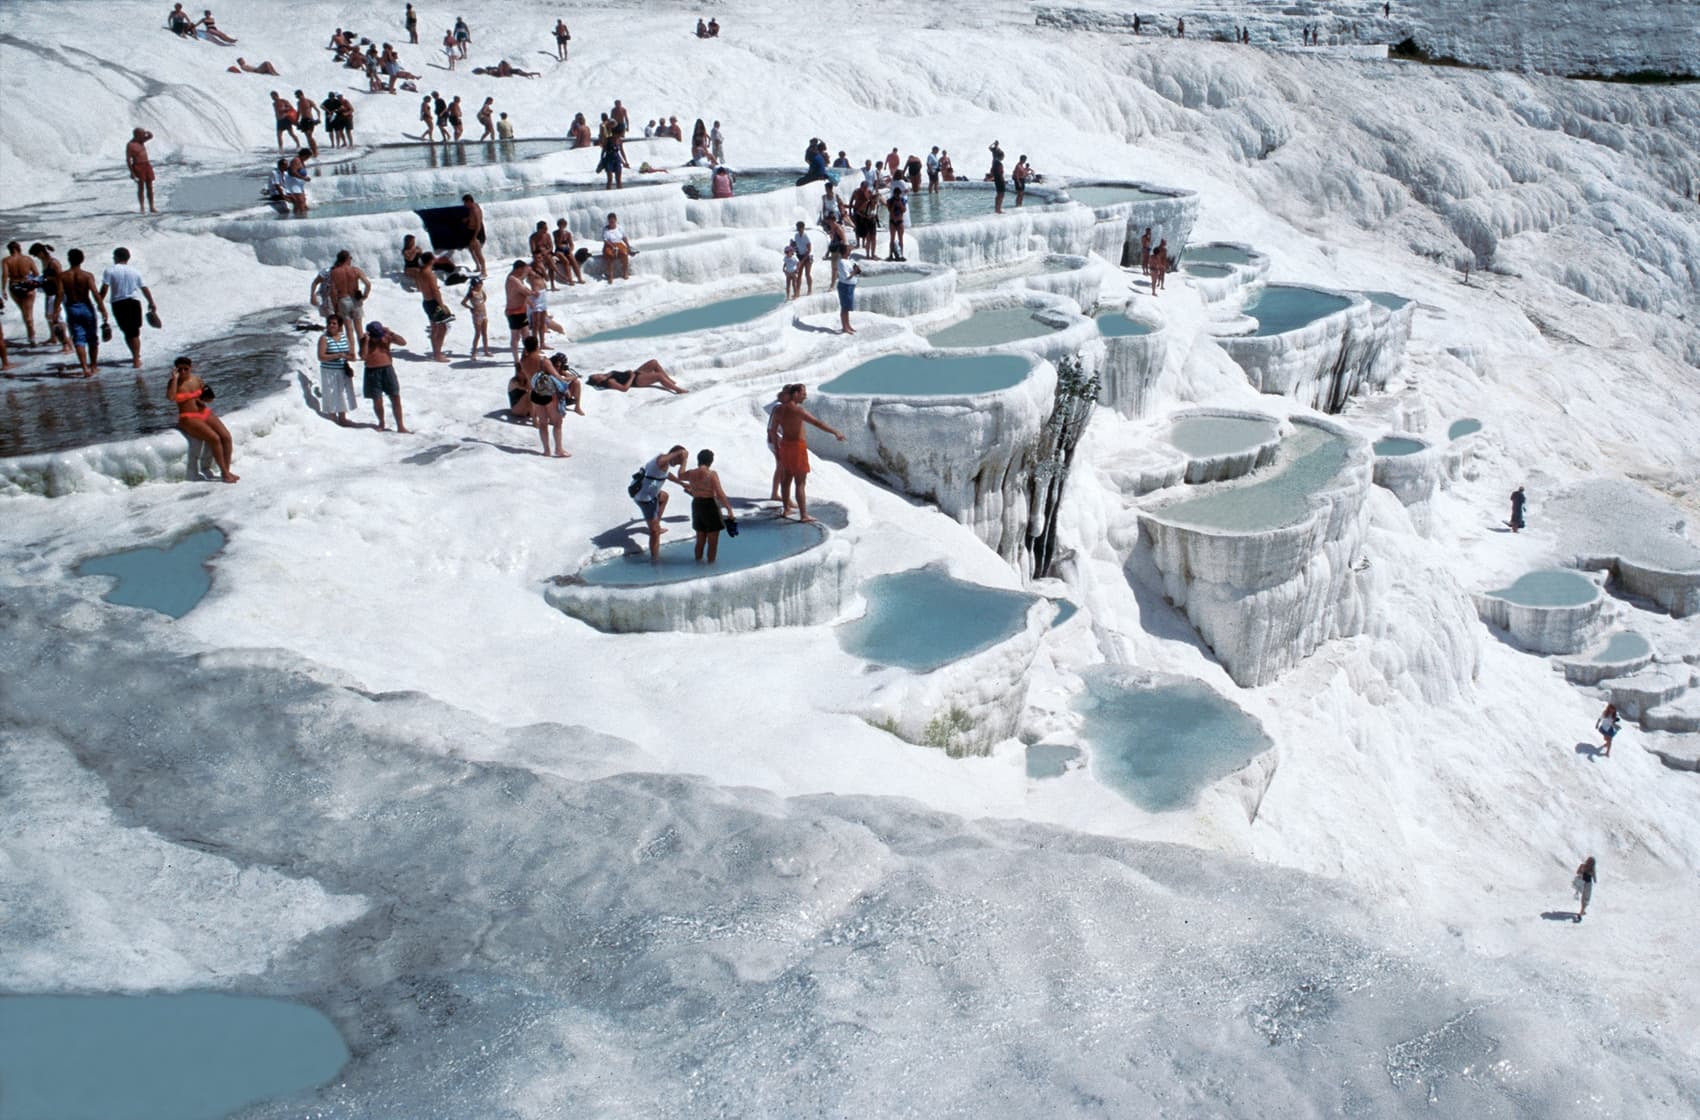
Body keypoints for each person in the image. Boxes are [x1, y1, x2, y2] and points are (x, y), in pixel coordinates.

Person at [773, 385, 845, 521]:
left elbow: (773, 430)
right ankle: (804, 515)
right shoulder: (798, 410)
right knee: (800, 483)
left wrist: (777, 449)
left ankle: (786, 509)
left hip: (785, 446)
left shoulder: (778, 410)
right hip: (797, 447)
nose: (805, 396)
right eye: (803, 393)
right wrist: (835, 432)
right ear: (795, 394)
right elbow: (817, 423)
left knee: (786, 479)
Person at [167, 355, 238, 482]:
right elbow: (171, 397)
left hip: (203, 411)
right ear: (176, 370)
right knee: (214, 438)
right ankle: (225, 473)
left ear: (190, 367)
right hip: (188, 417)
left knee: (226, 436)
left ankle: (227, 470)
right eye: (179, 369)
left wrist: (207, 398)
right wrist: (174, 379)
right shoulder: (174, 383)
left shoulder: (197, 380)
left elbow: (207, 398)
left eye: (185, 369)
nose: (183, 372)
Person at [98, 248, 157, 369]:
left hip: (119, 304)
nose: (113, 259)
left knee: (128, 332)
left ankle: (136, 358)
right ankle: (136, 357)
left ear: (117, 257)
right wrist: (151, 302)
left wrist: (99, 302)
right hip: (134, 302)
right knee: (134, 331)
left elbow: (104, 288)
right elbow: (144, 288)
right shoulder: (135, 271)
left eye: (114, 257)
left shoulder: (110, 271)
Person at [631, 446, 689, 559]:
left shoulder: (663, 464)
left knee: (664, 496)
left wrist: (681, 484)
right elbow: (662, 461)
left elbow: (667, 475)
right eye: (678, 461)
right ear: (674, 454)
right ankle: (655, 560)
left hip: (644, 492)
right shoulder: (661, 460)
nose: (677, 465)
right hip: (645, 498)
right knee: (655, 532)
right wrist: (680, 453)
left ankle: (655, 523)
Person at [681, 450, 735, 563]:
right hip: (710, 506)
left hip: (697, 505)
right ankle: (711, 568)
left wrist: (684, 460)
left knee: (700, 540)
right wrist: (729, 509)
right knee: (712, 542)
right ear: (710, 461)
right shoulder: (711, 474)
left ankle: (698, 564)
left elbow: (680, 475)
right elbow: (720, 493)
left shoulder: (691, 473)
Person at [59, 249, 106, 377]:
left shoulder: (63, 276)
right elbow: (95, 293)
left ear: (69, 260)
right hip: (86, 307)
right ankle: (94, 366)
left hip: (72, 308)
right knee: (92, 337)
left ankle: (85, 368)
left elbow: (60, 294)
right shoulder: (87, 275)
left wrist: (56, 310)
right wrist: (103, 309)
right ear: (82, 259)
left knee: (78, 338)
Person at [362, 321, 409, 431]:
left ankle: (400, 426)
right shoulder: (365, 341)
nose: (377, 339)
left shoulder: (386, 338)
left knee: (395, 396)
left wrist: (391, 334)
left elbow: (403, 343)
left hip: (387, 369)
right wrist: (366, 341)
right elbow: (363, 356)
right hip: (372, 371)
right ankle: (381, 423)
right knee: (377, 399)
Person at [316, 313, 359, 425]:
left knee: (342, 393)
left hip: (342, 370)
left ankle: (342, 417)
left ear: (339, 325)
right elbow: (321, 357)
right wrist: (336, 356)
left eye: (334, 323)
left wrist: (347, 357)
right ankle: (332, 417)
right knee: (331, 392)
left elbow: (352, 355)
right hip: (329, 371)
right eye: (329, 323)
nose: (331, 325)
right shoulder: (324, 338)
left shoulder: (344, 337)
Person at [415, 253, 453, 361]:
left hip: (426, 301)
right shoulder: (430, 274)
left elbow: (419, 286)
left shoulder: (420, 272)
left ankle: (435, 351)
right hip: (433, 303)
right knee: (442, 328)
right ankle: (437, 354)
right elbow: (435, 292)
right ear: (431, 260)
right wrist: (442, 305)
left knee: (434, 328)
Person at [329, 250, 371, 339]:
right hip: (355, 299)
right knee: (359, 329)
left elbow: (333, 291)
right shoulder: (355, 270)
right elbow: (368, 284)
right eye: (350, 258)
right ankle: (363, 351)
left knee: (349, 329)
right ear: (347, 259)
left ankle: (351, 351)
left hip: (343, 300)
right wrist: (365, 296)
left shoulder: (335, 272)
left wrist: (335, 306)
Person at [5, 242, 40, 345]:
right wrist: (30, 280)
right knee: (29, 313)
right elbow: (36, 273)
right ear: (18, 248)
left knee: (23, 311)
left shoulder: (6, 260)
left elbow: (5, 275)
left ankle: (31, 332)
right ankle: (31, 335)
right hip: (27, 286)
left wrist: (3, 290)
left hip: (14, 286)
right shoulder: (28, 259)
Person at [587, 360, 686, 394]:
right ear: (598, 381)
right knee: (658, 376)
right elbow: (624, 388)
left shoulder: (607, 375)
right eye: (597, 376)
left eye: (597, 374)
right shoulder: (610, 382)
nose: (599, 374)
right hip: (636, 380)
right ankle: (677, 389)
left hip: (635, 374)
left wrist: (628, 373)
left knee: (653, 362)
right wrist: (631, 376)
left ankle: (670, 382)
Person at [503, 259, 531, 363]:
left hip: (521, 310)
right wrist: (531, 292)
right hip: (514, 312)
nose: (524, 271)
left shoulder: (516, 278)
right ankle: (516, 360)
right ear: (519, 269)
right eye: (523, 269)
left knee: (526, 334)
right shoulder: (512, 279)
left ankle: (527, 354)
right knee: (515, 336)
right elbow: (525, 291)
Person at [125, 128, 158, 214]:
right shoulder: (130, 145)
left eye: (143, 134)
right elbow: (128, 160)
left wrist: (146, 132)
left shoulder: (141, 141)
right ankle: (142, 207)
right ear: (136, 135)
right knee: (141, 187)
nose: (144, 136)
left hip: (146, 165)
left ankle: (151, 206)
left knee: (150, 186)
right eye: (141, 134)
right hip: (138, 166)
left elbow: (151, 136)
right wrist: (132, 173)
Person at [458, 275, 491, 357]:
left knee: (485, 333)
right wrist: (471, 308)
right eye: (479, 284)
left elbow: (485, 298)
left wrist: (482, 304)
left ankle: (486, 351)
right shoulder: (472, 293)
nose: (481, 285)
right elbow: (463, 302)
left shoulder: (481, 291)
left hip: (483, 314)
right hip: (477, 315)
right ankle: (474, 352)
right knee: (477, 334)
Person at [834, 253, 861, 334]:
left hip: (850, 286)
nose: (850, 251)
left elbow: (856, 272)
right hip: (845, 286)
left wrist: (857, 270)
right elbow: (847, 276)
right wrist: (854, 271)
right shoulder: (841, 262)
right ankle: (844, 327)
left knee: (847, 308)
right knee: (844, 307)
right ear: (844, 251)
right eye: (848, 249)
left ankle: (848, 325)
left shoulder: (849, 260)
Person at [462, 194, 488, 276]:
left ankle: (484, 271)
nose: (464, 205)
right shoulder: (472, 207)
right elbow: (473, 218)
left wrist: (474, 237)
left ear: (469, 201)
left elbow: (478, 224)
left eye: (465, 203)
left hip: (476, 232)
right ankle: (478, 266)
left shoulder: (475, 209)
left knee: (478, 253)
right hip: (470, 231)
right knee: (471, 250)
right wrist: (468, 219)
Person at [552, 219, 584, 285]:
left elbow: (571, 244)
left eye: (563, 225)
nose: (562, 226)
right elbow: (558, 244)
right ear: (558, 225)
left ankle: (579, 278)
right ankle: (570, 279)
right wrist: (561, 234)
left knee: (573, 261)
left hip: (566, 249)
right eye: (561, 225)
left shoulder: (568, 234)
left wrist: (571, 250)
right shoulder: (555, 233)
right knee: (566, 262)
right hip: (559, 250)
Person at [602, 212, 631, 282]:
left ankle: (625, 273)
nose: (611, 222)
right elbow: (605, 240)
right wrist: (613, 247)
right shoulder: (605, 229)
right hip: (609, 245)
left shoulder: (619, 227)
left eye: (613, 221)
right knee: (609, 255)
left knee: (624, 254)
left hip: (619, 244)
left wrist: (628, 245)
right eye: (610, 221)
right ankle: (611, 275)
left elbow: (624, 237)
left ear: (615, 220)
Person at [790, 221, 814, 295]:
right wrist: (792, 245)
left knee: (807, 273)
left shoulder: (806, 236)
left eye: (800, 228)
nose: (799, 229)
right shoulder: (796, 235)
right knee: (799, 274)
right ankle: (797, 291)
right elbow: (796, 245)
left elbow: (809, 249)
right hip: (800, 255)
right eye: (798, 228)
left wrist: (803, 260)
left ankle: (809, 290)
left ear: (803, 228)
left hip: (808, 256)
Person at [885, 183, 908, 261]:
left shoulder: (902, 200)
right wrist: (894, 205)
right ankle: (890, 254)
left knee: (901, 239)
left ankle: (901, 255)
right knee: (892, 238)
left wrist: (900, 204)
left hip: (900, 221)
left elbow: (904, 210)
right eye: (896, 194)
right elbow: (890, 212)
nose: (897, 196)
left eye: (898, 194)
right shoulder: (890, 201)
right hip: (892, 221)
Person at [295, 91, 321, 155]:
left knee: (309, 135)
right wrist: (296, 121)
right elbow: (298, 112)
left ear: (301, 94)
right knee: (308, 136)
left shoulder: (308, 101)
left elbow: (317, 110)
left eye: (298, 95)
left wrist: (318, 118)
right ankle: (313, 150)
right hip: (303, 120)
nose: (297, 97)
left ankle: (315, 150)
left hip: (309, 119)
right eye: (296, 96)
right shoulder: (298, 103)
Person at [1574, 856, 1596, 922]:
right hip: (1587, 884)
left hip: (1582, 883)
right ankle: (1581, 912)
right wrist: (1591, 874)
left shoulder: (1582, 866)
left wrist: (1582, 872)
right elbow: (1594, 879)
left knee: (1583, 898)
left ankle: (1582, 911)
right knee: (1586, 898)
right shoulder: (1592, 869)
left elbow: (1577, 872)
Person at [988, 140, 1006, 214]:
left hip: (997, 178)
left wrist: (995, 145)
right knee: (1001, 194)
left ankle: (997, 209)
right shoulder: (997, 161)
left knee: (999, 194)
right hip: (999, 180)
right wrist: (1003, 180)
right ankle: (998, 209)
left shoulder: (995, 159)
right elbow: (999, 174)